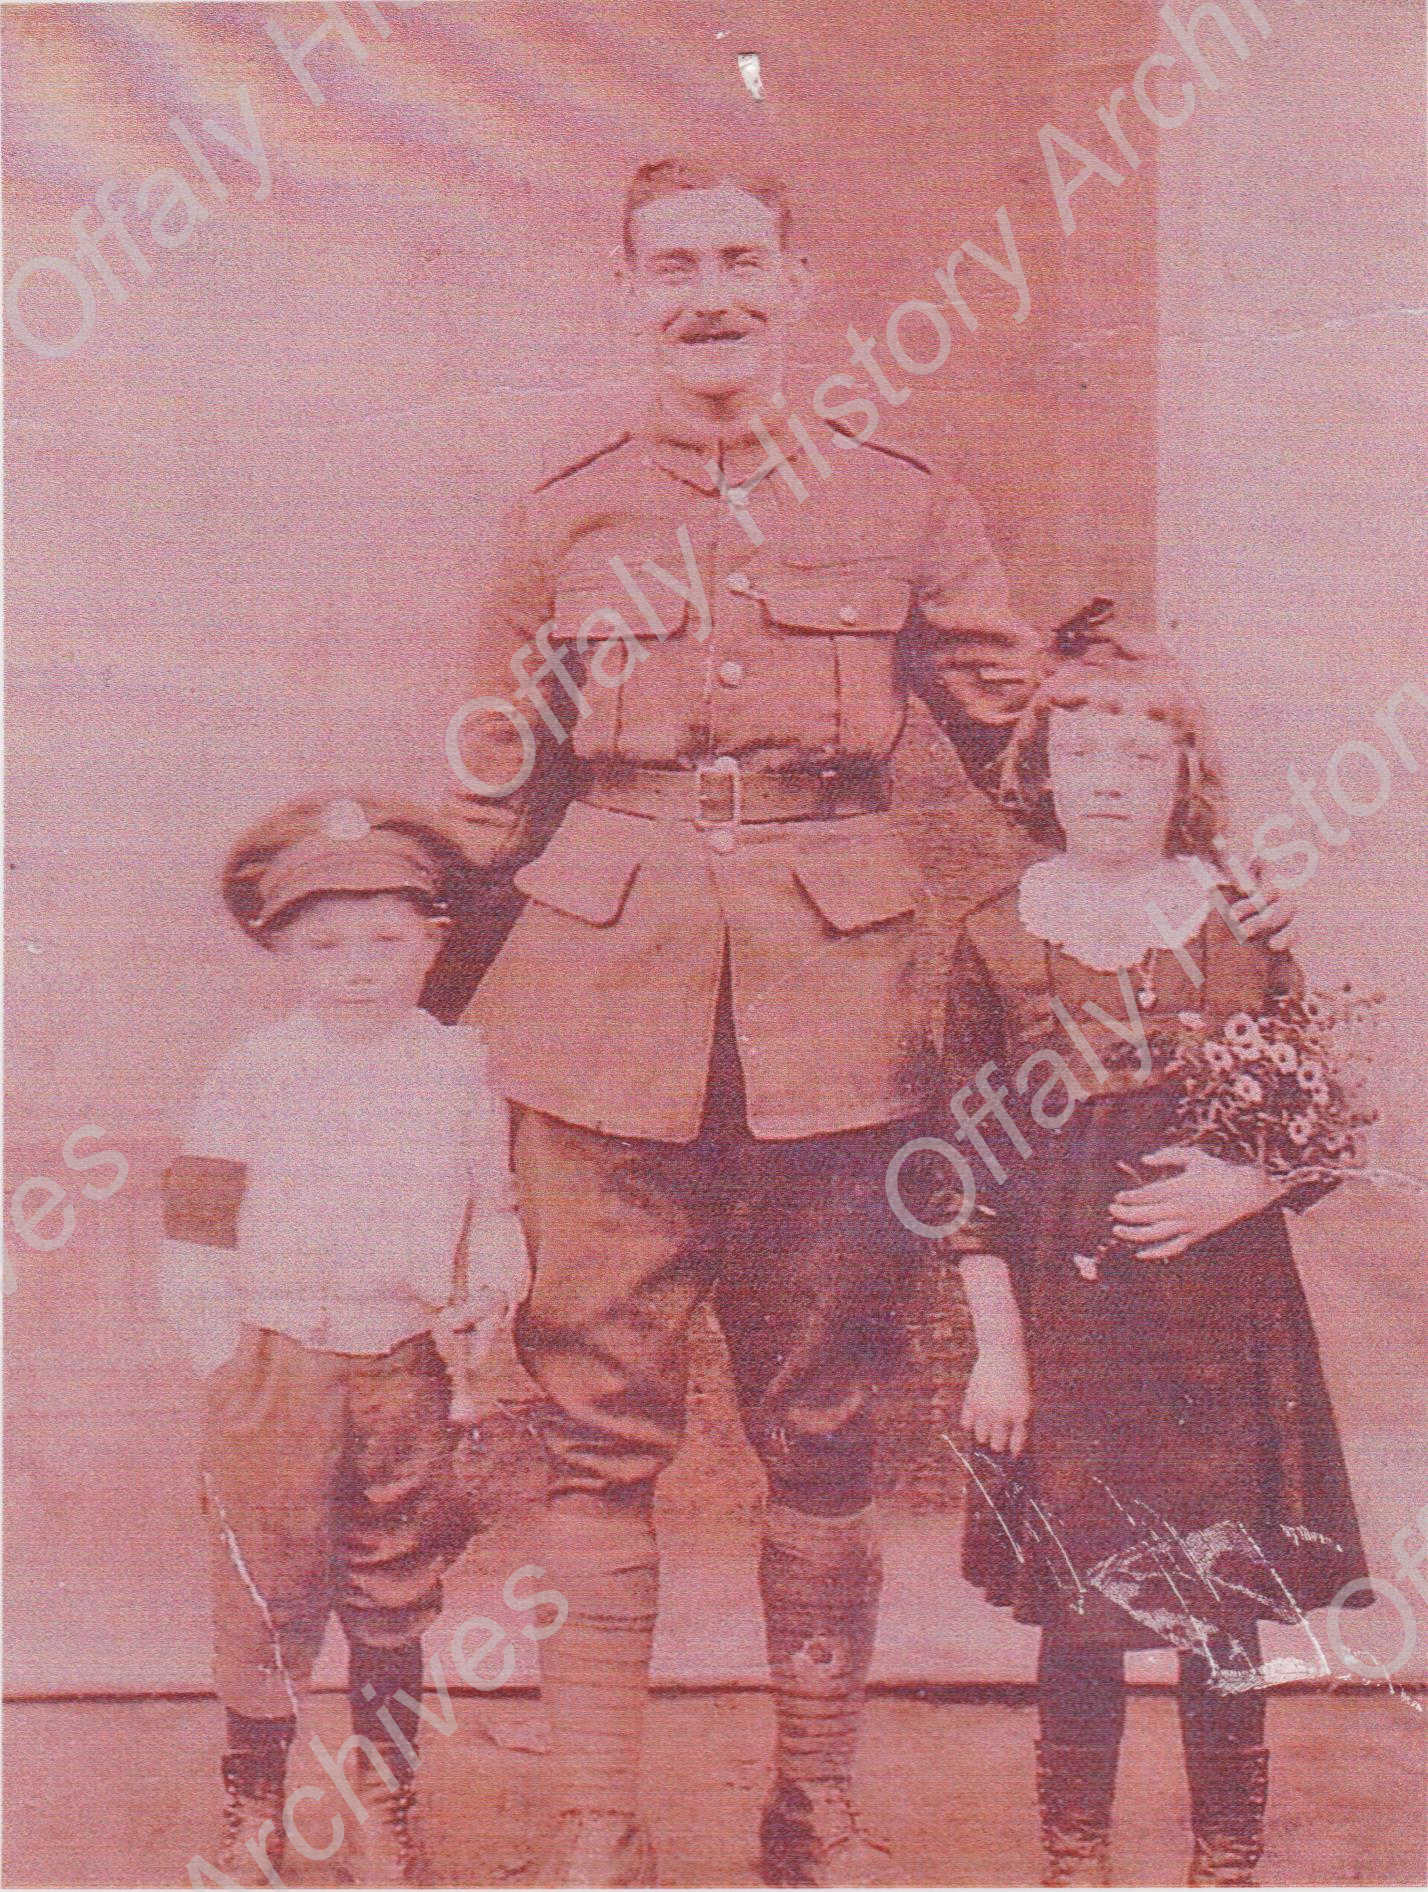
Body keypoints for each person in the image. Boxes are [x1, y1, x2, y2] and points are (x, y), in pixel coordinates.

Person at [438, 156, 1290, 1886]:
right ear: (626, 294)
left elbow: (1029, 749)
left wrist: (1209, 887)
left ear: (796, 278)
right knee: (596, 1428)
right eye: (671, 264)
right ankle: (595, 1823)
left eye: (740, 259)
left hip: (840, 1037)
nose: (709, 294)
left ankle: (811, 1809)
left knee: (820, 1425)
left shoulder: (904, 505)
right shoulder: (563, 517)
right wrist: (400, 1036)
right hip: (596, 1026)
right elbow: (486, 799)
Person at [941, 649, 1368, 1887]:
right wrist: (1000, 1347)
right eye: (1080, 753)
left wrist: (1247, 1183)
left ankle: (1225, 1856)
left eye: (1142, 755)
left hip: (1220, 1320)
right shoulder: (994, 937)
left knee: (1218, 1600)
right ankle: (1075, 1857)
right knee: (1081, 1606)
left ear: (1186, 775)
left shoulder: (1239, 921)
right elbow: (959, 1172)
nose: (1110, 780)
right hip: (1072, 1328)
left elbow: (1325, 1119)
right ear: (1040, 772)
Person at [159, 794, 530, 1887]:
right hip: (279, 1364)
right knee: (267, 1582)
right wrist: (223, 1356)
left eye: (386, 941)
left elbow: (494, 1208)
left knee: (393, 1580)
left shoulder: (460, 1067)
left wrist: (487, 1294)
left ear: (433, 940)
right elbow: (196, 1226)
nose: (358, 967)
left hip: (410, 1365)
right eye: (324, 945)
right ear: (281, 948)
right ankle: (254, 1798)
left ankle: (386, 1791)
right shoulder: (254, 1071)